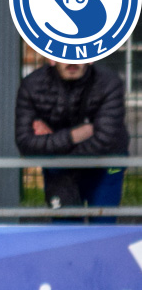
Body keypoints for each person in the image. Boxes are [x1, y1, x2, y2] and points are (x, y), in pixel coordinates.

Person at [15, 58, 129, 220]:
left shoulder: (109, 82)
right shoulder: (32, 85)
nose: (72, 61)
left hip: (106, 164)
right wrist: (74, 135)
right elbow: (26, 143)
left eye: (79, 53)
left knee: (103, 227)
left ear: (91, 58)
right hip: (58, 169)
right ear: (51, 58)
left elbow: (105, 139)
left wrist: (52, 141)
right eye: (65, 55)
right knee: (66, 228)